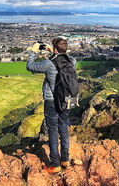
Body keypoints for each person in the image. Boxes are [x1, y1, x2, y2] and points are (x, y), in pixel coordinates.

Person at [26, 38, 80, 173]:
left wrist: (34, 51)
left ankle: (55, 164)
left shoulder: (49, 64)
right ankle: (65, 160)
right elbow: (69, 58)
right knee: (63, 128)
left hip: (51, 101)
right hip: (66, 100)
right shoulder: (71, 61)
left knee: (53, 131)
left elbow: (30, 66)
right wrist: (54, 51)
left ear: (55, 49)